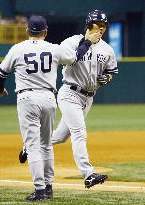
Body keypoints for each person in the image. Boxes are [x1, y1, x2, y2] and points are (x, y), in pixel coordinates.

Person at [0, 15, 101, 201]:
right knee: (46, 145)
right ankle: (49, 186)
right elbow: (76, 57)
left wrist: (0, 90)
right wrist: (86, 42)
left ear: (27, 31)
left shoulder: (17, 49)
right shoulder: (54, 48)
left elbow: (0, 73)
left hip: (27, 98)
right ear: (46, 32)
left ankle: (40, 190)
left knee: (33, 145)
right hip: (48, 98)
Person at [19, 10, 118, 189]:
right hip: (69, 93)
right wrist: (87, 43)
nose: (102, 28)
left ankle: (29, 145)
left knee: (61, 136)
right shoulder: (72, 42)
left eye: (104, 26)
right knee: (79, 133)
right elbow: (66, 60)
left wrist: (106, 78)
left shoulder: (107, 49)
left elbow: (110, 72)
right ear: (89, 25)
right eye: (98, 25)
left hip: (88, 98)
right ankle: (88, 174)